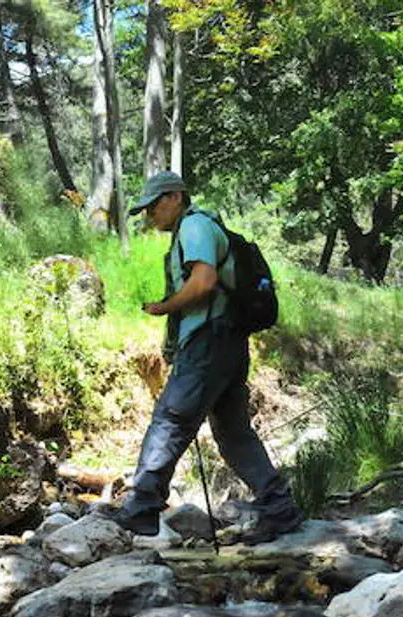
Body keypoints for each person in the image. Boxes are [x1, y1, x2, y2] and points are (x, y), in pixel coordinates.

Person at [106, 171, 304, 544]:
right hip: (228, 343)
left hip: (209, 344)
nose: (150, 216)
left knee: (170, 419)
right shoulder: (201, 226)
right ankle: (280, 509)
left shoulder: (195, 226)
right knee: (232, 433)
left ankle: (142, 509)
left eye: (153, 206)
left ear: (175, 197)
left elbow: (203, 282)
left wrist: (165, 307)